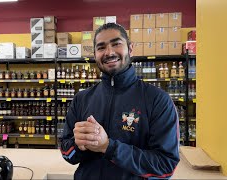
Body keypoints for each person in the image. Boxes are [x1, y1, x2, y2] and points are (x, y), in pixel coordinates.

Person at [60, 23, 180, 180]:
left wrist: (108, 147)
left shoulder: (158, 100)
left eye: (116, 44)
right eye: (101, 47)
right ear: (94, 54)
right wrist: (79, 146)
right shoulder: (82, 98)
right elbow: (67, 153)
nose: (109, 52)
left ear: (130, 49)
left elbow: (165, 166)